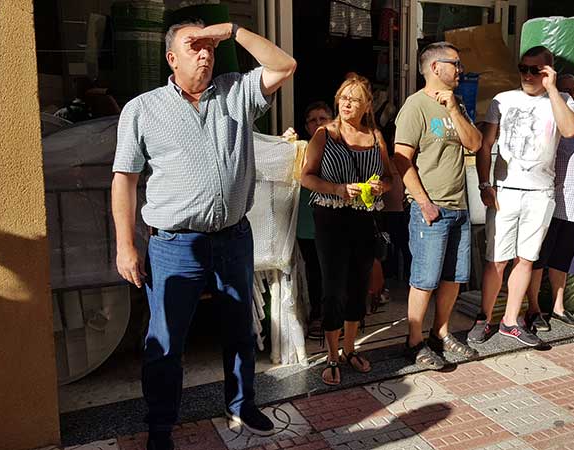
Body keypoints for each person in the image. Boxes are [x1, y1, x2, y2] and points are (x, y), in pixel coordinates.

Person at [111, 20, 296, 450]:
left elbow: (285, 66)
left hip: (233, 239)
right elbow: (124, 180)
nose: (205, 54)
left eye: (209, 47)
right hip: (175, 246)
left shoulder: (236, 92)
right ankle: (160, 428)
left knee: (239, 331)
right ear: (171, 59)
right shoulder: (142, 109)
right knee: (165, 342)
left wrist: (232, 31)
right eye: (193, 46)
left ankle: (242, 402)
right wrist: (126, 244)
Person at [470, 46, 574, 348]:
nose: (528, 75)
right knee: (497, 260)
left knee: (526, 259)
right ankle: (485, 317)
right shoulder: (502, 100)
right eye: (524, 68)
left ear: (548, 71)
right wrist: (483, 183)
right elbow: (486, 144)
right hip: (505, 191)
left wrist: (553, 89)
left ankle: (511, 321)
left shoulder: (563, 100)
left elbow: (570, 130)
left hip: (541, 193)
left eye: (536, 70)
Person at [393, 42, 482, 369]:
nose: (460, 70)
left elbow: (474, 143)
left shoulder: (454, 103)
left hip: (459, 206)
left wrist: (455, 110)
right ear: (434, 68)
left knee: (454, 277)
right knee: (425, 279)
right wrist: (424, 203)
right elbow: (401, 160)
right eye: (455, 64)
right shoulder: (415, 106)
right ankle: (413, 341)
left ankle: (440, 334)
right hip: (431, 208)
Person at [301, 75, 392, 385]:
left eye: (354, 98)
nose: (347, 103)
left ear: (367, 105)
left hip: (364, 217)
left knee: (359, 285)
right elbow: (306, 177)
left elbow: (391, 178)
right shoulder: (325, 135)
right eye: (343, 97)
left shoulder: (375, 136)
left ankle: (350, 349)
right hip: (330, 217)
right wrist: (337, 188)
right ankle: (331, 354)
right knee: (333, 287)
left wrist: (381, 186)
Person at [525, 74, 574, 331]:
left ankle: (557, 308)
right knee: (538, 259)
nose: (572, 96)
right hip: (552, 203)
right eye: (565, 90)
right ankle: (533, 309)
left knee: (563, 261)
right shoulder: (551, 121)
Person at [286, 101, 334, 340]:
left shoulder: (341, 145)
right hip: (307, 223)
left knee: (336, 271)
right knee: (315, 272)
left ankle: (337, 317)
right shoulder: (299, 149)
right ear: (306, 126)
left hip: (337, 220)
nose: (317, 123)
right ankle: (318, 315)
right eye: (312, 120)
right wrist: (285, 144)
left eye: (322, 118)